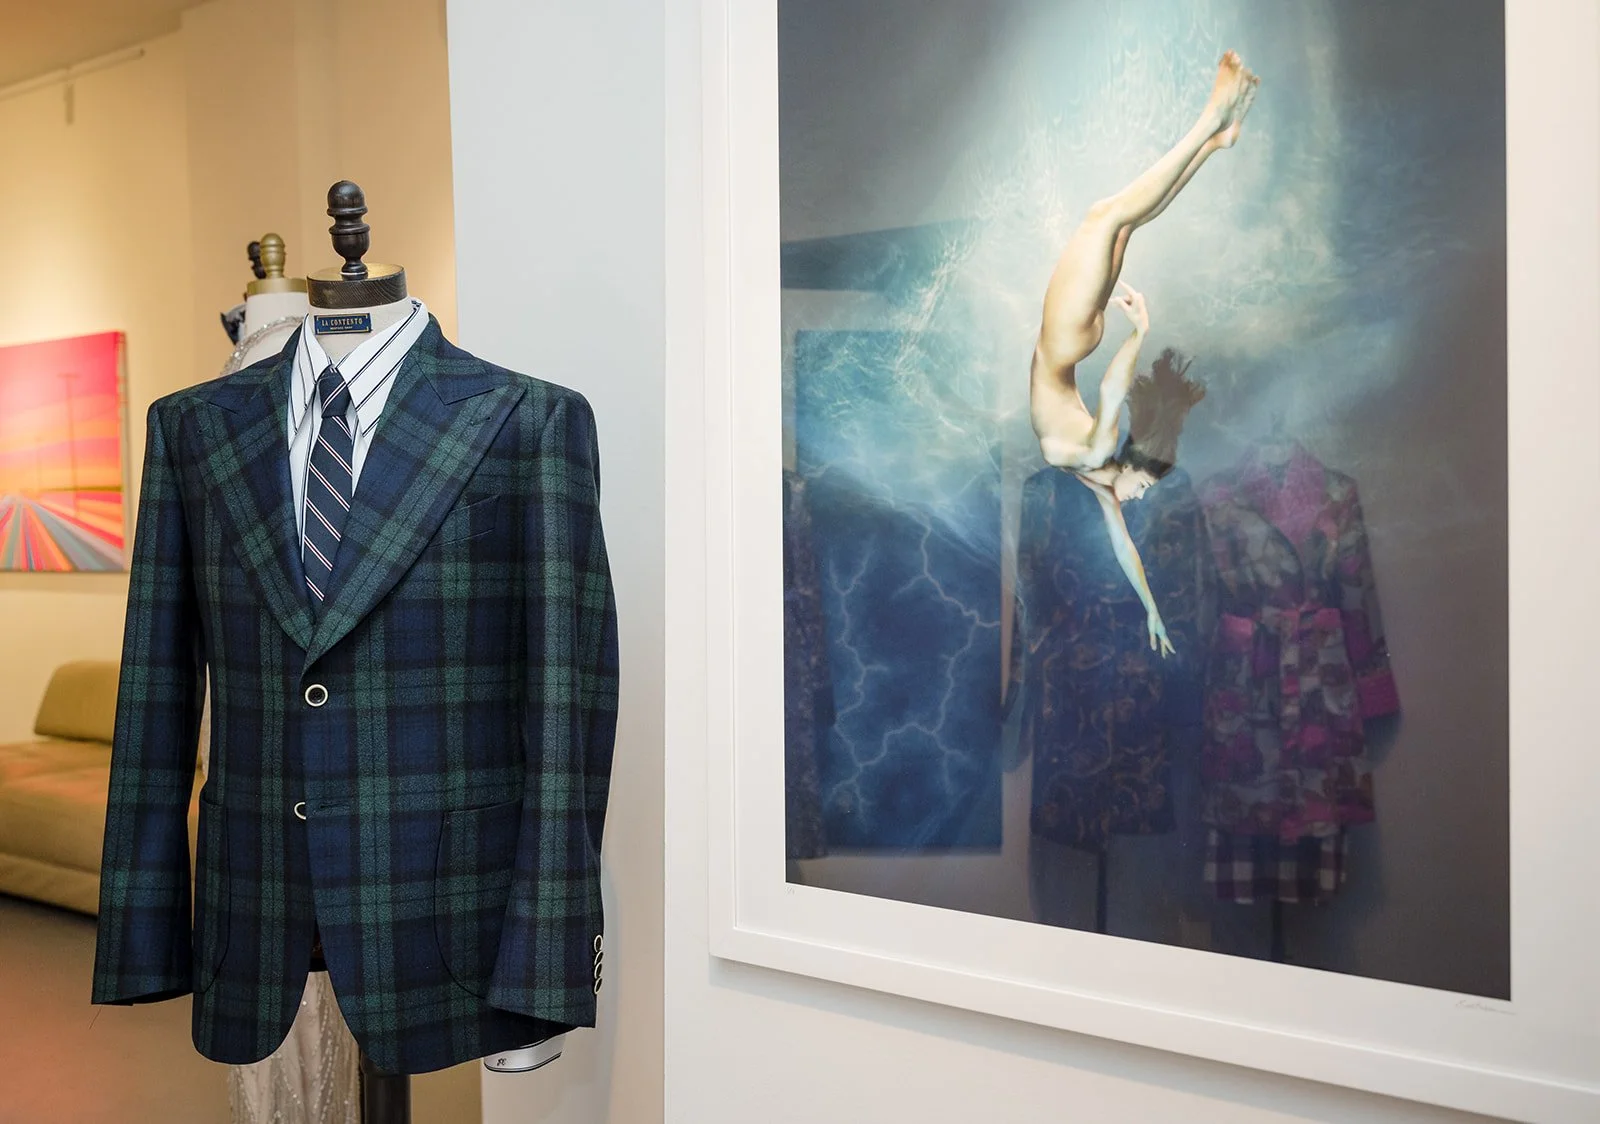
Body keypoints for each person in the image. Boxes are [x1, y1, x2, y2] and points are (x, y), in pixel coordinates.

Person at [1027, 49, 1257, 654]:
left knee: (1111, 218)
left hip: (1066, 339)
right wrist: (1152, 609)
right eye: (1144, 488)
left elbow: (1110, 393)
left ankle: (1213, 127)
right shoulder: (1098, 466)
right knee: (1116, 223)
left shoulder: (1100, 459)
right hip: (1070, 340)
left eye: (1142, 490)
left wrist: (1138, 336)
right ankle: (1213, 134)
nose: (1140, 498)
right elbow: (1126, 548)